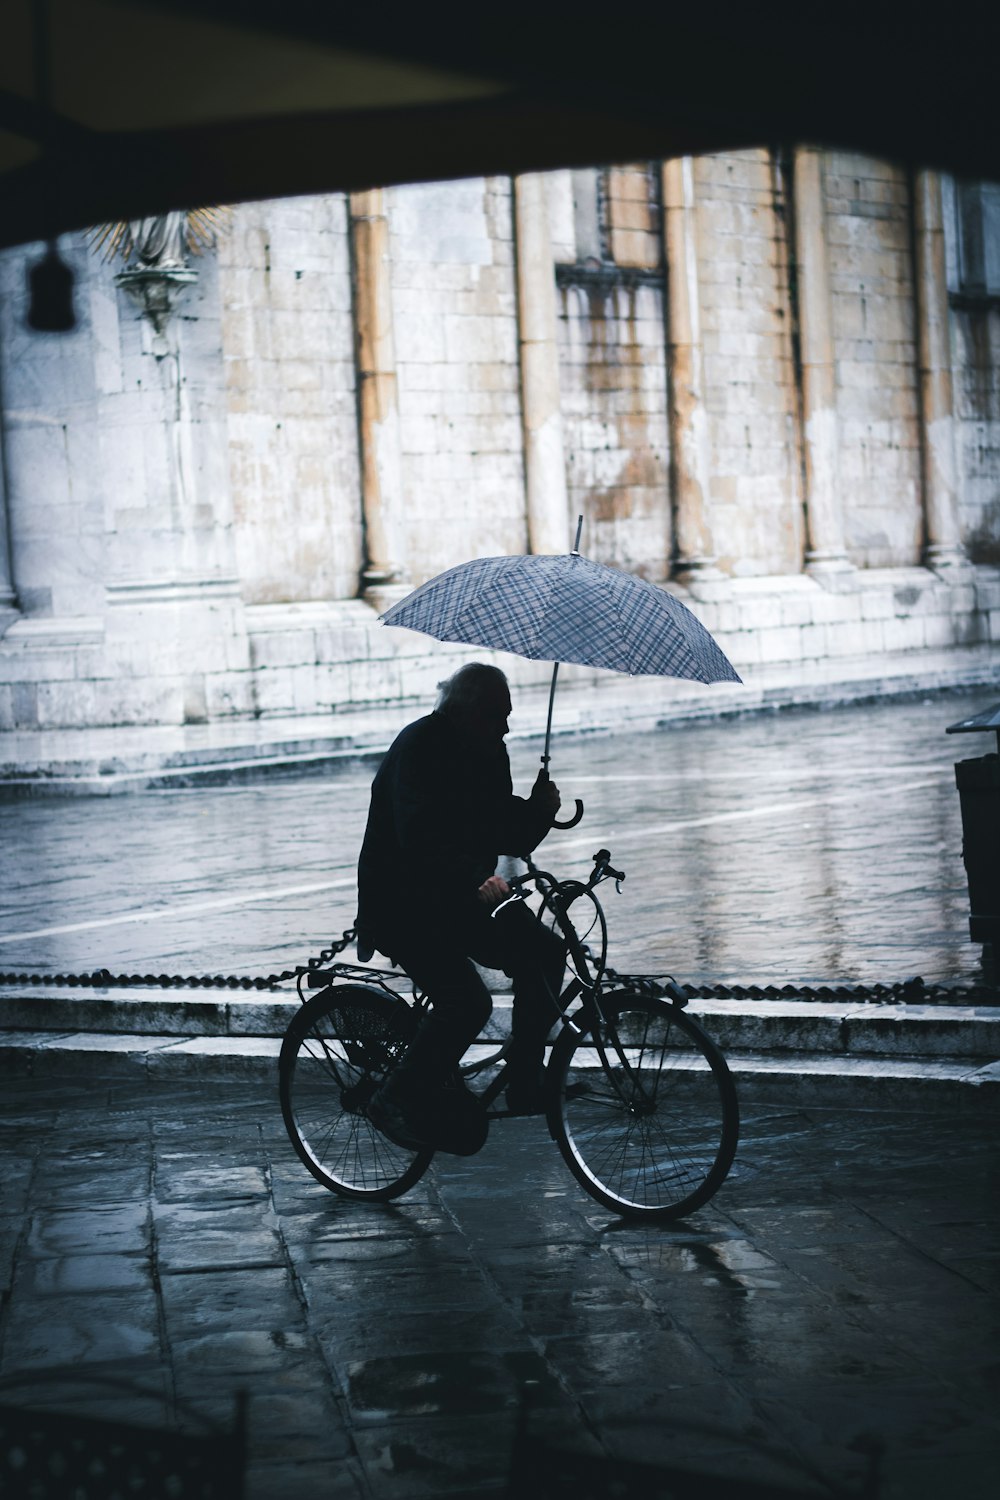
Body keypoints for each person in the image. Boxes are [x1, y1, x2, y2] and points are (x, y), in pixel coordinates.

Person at [356, 662, 565, 1150]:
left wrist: (538, 810)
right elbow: (419, 838)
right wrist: (477, 877)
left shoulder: (492, 751)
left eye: (508, 716)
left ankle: (524, 1076)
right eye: (498, 716)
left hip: (465, 896)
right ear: (466, 713)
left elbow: (502, 829)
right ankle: (394, 1097)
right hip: (405, 903)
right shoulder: (417, 749)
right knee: (467, 1001)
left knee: (547, 954)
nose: (507, 727)